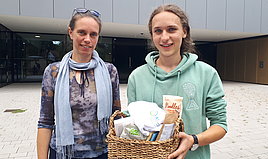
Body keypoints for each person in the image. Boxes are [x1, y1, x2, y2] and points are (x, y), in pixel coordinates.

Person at [127, 4, 227, 159]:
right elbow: (133, 123)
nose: (164, 37)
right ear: (152, 35)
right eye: (158, 31)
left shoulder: (207, 74)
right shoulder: (137, 77)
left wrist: (193, 140)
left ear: (184, 32)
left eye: (172, 29)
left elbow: (220, 125)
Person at [37, 8, 121, 159]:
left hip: (102, 153)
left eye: (93, 34)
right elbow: (45, 121)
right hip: (64, 153)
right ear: (71, 32)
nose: (87, 39)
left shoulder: (109, 71)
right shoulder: (53, 71)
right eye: (82, 32)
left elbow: (116, 118)